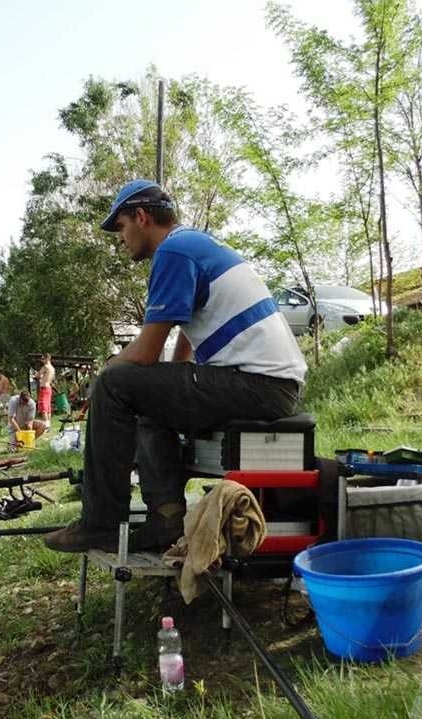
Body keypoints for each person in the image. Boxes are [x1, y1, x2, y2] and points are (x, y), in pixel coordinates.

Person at [44, 179, 307, 552]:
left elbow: (145, 352)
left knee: (114, 383)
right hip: (269, 383)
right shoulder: (191, 244)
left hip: (260, 383)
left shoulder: (174, 252)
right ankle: (166, 516)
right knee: (147, 395)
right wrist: (161, 383)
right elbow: (181, 338)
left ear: (141, 216)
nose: (121, 239)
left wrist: (108, 371)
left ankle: (99, 523)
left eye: (121, 227)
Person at [37, 353, 55, 425]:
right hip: (49, 388)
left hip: (44, 388)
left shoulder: (45, 367)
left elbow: (37, 375)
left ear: (47, 358)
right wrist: (42, 376)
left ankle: (46, 425)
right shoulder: (52, 368)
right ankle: (48, 423)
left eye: (43, 359)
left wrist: (38, 375)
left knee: (43, 406)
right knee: (48, 407)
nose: (42, 360)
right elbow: (49, 378)